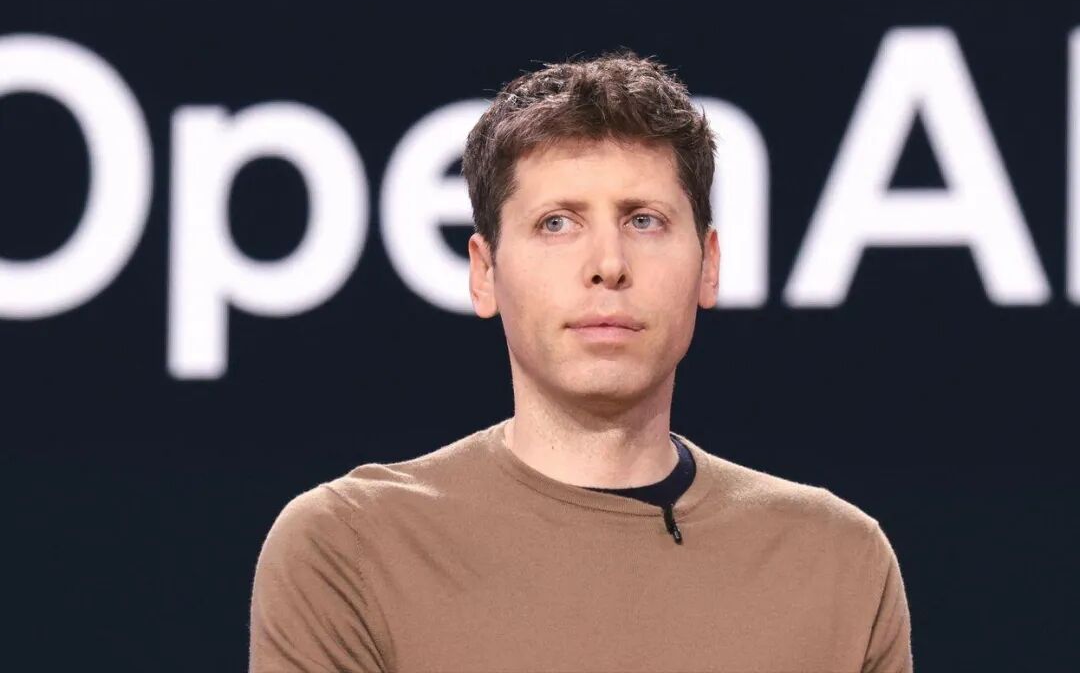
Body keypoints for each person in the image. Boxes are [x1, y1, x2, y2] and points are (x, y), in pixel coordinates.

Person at [248, 51, 914, 672]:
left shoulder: (838, 562)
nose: (608, 264)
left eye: (644, 220)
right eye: (557, 223)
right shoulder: (353, 549)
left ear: (708, 265)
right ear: (484, 273)